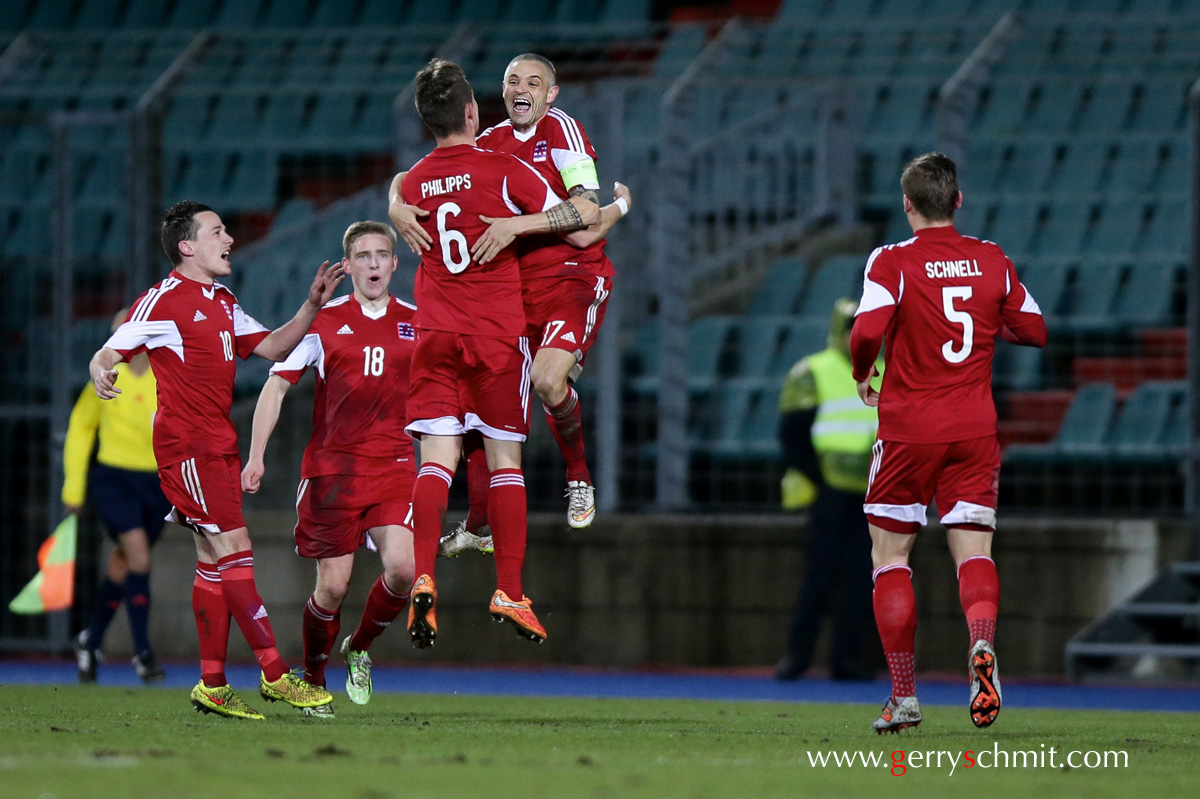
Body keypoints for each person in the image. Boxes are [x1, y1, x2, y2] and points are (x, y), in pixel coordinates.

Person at [89, 200, 341, 720]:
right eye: (217, 231)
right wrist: (101, 367)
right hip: (188, 446)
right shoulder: (164, 300)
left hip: (217, 443)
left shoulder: (222, 301)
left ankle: (212, 684)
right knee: (235, 546)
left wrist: (310, 306)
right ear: (187, 246)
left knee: (211, 559)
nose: (229, 238)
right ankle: (275, 674)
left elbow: (272, 346)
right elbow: (112, 349)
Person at [398, 57, 602, 649]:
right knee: (505, 461)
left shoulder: (411, 183)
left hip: (434, 333)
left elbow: (400, 190)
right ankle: (509, 590)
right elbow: (583, 219)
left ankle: (426, 576)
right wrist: (614, 207)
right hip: (494, 335)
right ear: (472, 112)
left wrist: (391, 203)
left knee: (436, 461)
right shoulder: (501, 167)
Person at [849, 153, 1047, 733]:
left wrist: (867, 372)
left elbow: (865, 330)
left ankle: (905, 697)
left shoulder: (892, 261)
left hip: (909, 430)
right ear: (958, 201)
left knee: (890, 558)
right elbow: (1034, 328)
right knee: (975, 554)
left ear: (907, 204)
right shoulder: (992, 260)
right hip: (974, 430)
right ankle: (981, 648)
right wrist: (988, 323)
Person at [242, 221, 417, 717]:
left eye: (382, 254)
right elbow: (275, 386)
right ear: (349, 265)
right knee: (334, 587)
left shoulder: (417, 321)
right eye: (362, 256)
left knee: (403, 569)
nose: (374, 264)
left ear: (394, 264)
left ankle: (358, 648)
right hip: (334, 471)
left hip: (394, 465)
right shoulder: (323, 322)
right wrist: (256, 455)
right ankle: (314, 677)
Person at [774, 297, 880, 683]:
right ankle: (798, 657)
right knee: (819, 577)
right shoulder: (813, 371)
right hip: (828, 493)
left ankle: (847, 660)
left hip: (872, 495)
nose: (860, 333)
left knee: (861, 579)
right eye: (854, 325)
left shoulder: (890, 372)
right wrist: (823, 479)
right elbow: (792, 434)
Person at [65, 307, 171, 685]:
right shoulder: (106, 376)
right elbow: (80, 427)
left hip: (158, 483)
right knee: (138, 556)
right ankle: (142, 653)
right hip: (113, 478)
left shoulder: (165, 377)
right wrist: (73, 486)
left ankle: (90, 641)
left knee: (124, 560)